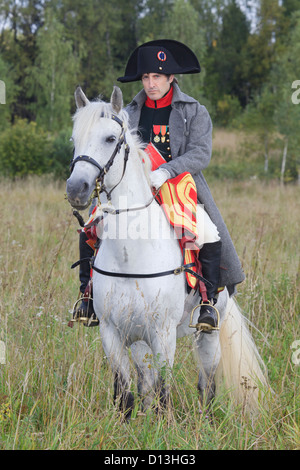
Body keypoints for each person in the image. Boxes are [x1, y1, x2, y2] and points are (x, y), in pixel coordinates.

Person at [71, 39, 245, 331]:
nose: (150, 83)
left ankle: (207, 303)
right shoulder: (128, 111)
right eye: (146, 77)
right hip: (133, 188)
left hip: (178, 186)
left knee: (208, 232)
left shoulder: (194, 110)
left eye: (157, 77)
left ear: (171, 78)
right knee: (91, 227)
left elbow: (201, 153)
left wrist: (166, 171)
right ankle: (88, 298)